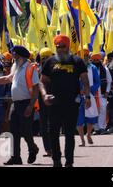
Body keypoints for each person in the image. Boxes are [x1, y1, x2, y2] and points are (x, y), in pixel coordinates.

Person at [0, 46, 40, 165]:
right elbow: (7, 79)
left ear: (20, 56)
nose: (13, 58)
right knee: (13, 131)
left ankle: (32, 148)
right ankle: (16, 157)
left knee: (26, 131)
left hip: (26, 103)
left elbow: (36, 88)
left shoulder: (30, 68)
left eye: (14, 55)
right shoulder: (16, 67)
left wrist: (30, 106)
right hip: (16, 103)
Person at [39, 36, 91, 167]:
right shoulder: (50, 61)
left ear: (68, 47)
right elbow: (41, 81)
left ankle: (69, 161)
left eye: (63, 46)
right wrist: (44, 95)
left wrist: (88, 96)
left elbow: (85, 80)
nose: (60, 49)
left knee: (69, 134)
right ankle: (56, 160)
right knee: (53, 133)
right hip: (54, 103)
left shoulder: (77, 61)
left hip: (71, 103)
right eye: (58, 47)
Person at [76, 49, 100, 147]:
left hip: (89, 96)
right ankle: (82, 140)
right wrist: (78, 90)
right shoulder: (74, 68)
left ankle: (89, 134)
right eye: (83, 55)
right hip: (78, 97)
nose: (85, 57)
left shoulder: (93, 68)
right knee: (78, 119)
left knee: (91, 118)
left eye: (86, 55)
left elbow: (97, 82)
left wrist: (88, 90)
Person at [37, 48, 53, 157]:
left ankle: (54, 148)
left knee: (52, 125)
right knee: (43, 126)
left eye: (47, 57)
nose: (45, 60)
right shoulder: (37, 71)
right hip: (42, 101)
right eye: (43, 58)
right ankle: (48, 149)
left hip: (53, 100)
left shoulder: (56, 69)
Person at [91, 53, 112, 134]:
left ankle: (102, 127)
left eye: (97, 60)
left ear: (100, 60)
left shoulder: (105, 69)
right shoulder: (90, 69)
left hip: (103, 94)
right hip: (93, 94)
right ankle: (96, 128)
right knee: (94, 111)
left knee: (103, 110)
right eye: (94, 60)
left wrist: (107, 91)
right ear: (92, 61)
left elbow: (109, 81)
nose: (96, 61)